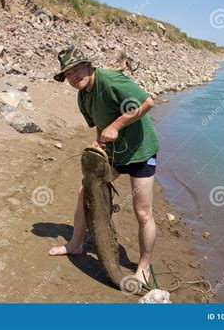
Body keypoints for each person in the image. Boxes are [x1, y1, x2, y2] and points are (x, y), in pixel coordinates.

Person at [48, 45, 160, 286]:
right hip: (114, 154)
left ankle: (143, 265)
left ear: (90, 66)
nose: (74, 76)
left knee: (142, 212)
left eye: (78, 69)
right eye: (68, 74)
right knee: (83, 193)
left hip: (141, 151)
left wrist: (116, 127)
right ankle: (76, 244)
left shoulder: (111, 81)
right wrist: (100, 141)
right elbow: (101, 123)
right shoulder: (83, 97)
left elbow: (148, 102)